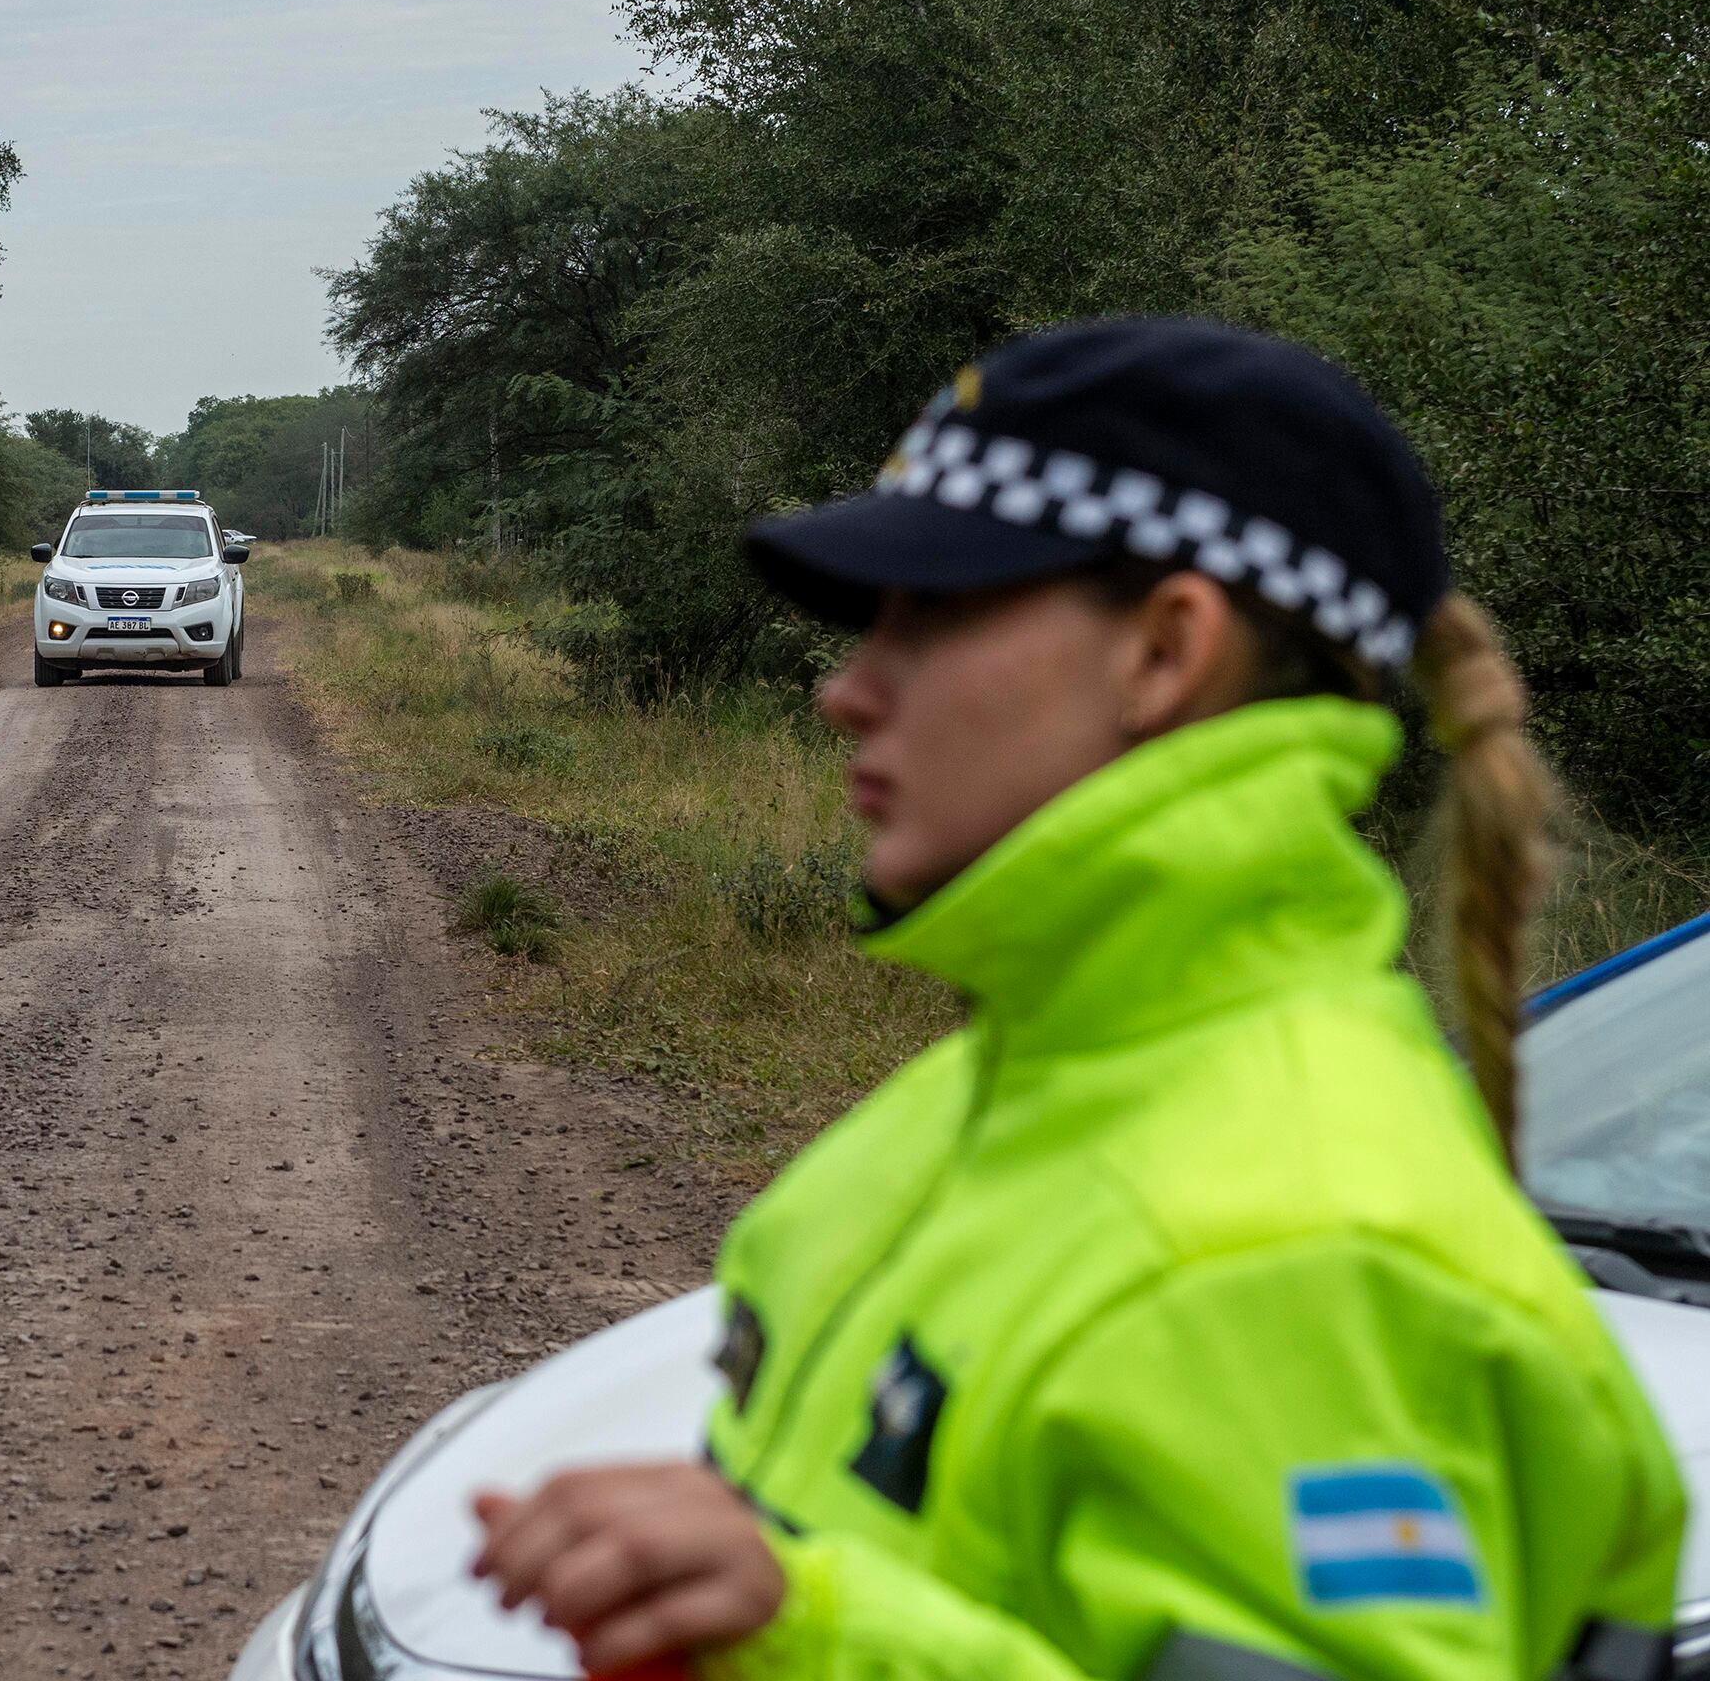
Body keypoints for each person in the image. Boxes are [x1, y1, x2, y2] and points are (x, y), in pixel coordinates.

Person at [471, 317, 1686, 1681]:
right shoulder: (984, 1100)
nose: (844, 690)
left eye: (925, 614)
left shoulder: (1294, 1245)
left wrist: (806, 1637)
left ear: (1166, 650)